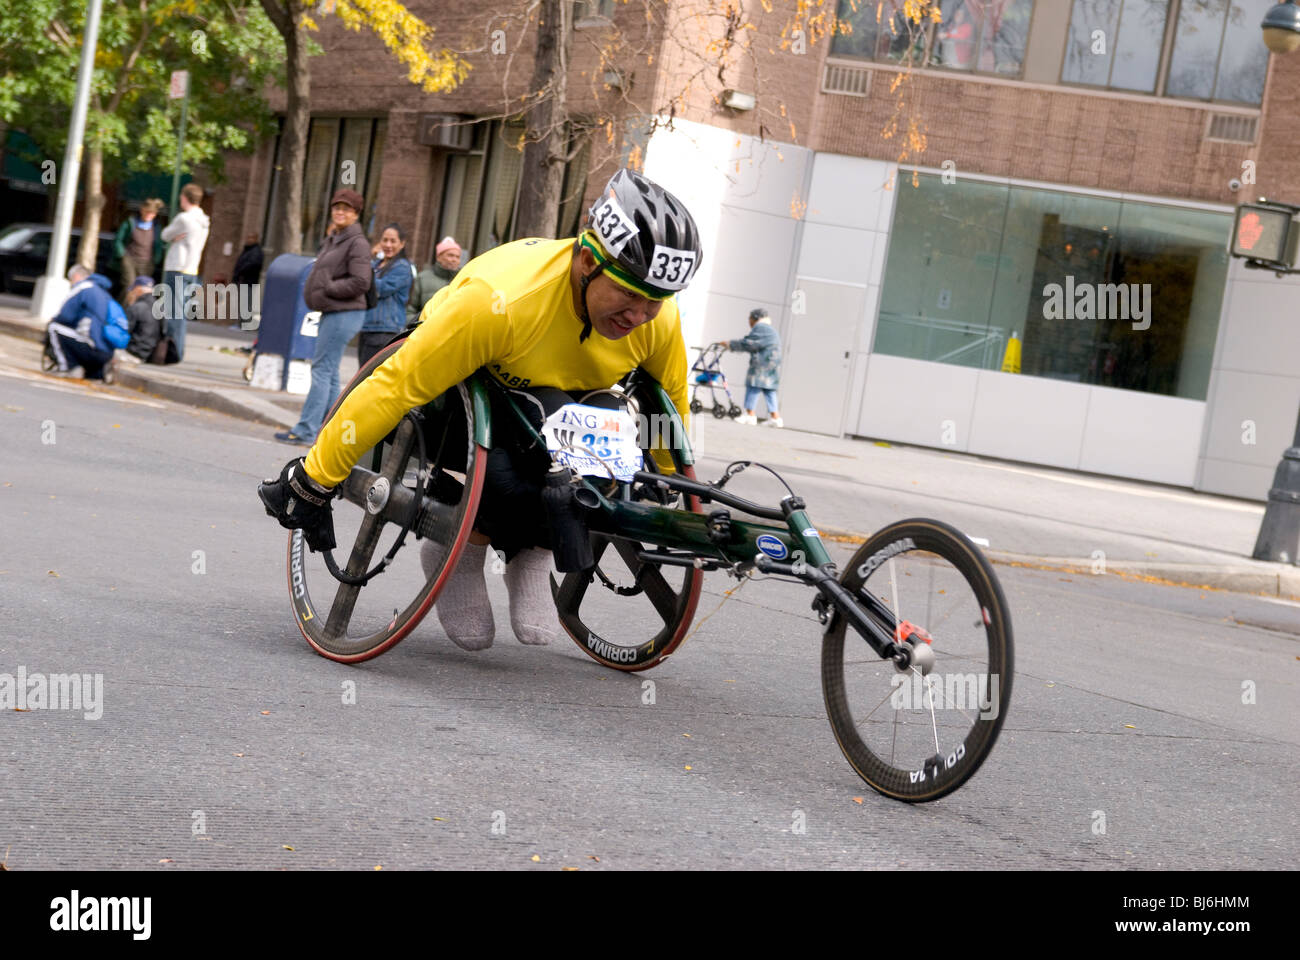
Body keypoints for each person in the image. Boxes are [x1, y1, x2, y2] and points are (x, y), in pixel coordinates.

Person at [259, 168, 702, 652]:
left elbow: (670, 404)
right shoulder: (497, 303)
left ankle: (533, 554)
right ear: (588, 261)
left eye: (656, 302)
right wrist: (314, 479)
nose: (639, 316)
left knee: (610, 437)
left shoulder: (657, 320)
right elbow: (392, 387)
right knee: (517, 459)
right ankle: (461, 554)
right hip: (464, 391)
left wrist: (667, 482)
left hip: (569, 406)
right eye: (631, 295)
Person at [274, 188, 373, 446]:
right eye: (336, 207)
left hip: (345, 313)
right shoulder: (335, 238)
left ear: (355, 214)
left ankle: (306, 429)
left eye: (346, 209)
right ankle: (330, 431)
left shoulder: (357, 243)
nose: (340, 212)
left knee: (321, 370)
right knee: (328, 373)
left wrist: (329, 288)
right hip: (333, 312)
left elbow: (362, 281)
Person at [160, 182, 210, 361]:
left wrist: (173, 237)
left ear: (184, 197)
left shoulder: (184, 218)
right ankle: (178, 350)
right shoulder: (204, 221)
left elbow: (164, 235)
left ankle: (173, 352)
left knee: (174, 311)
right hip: (192, 269)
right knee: (181, 311)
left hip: (177, 267)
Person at [44, 265, 118, 382]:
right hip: (107, 351)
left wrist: (54, 320)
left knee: (53, 327)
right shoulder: (104, 292)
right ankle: (97, 375)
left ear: (76, 276)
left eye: (71, 280)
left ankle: (66, 368)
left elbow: (65, 317)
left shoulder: (82, 287)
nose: (71, 284)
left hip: (89, 346)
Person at [358, 223, 412, 366]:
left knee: (368, 377)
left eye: (393, 241)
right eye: (385, 240)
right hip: (368, 327)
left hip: (385, 330)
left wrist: (365, 272)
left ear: (402, 243)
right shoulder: (376, 264)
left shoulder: (402, 266)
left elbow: (380, 288)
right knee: (361, 374)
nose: (388, 245)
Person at [724, 307, 783, 427]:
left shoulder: (761, 327)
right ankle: (775, 418)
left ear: (755, 318)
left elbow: (749, 343)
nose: (749, 322)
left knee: (753, 386)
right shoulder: (769, 329)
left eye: (749, 319)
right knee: (769, 390)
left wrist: (730, 344)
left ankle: (749, 415)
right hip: (772, 364)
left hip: (762, 364)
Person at [406, 236, 462, 324]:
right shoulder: (422, 278)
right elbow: (410, 310)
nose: (454, 260)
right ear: (438, 257)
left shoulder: (463, 280)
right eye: (450, 255)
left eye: (457, 257)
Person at [112, 199, 165, 293]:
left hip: (147, 263)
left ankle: (135, 307)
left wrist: (156, 259)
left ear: (155, 214)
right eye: (147, 211)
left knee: (142, 288)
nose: (149, 215)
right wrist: (122, 255)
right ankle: (125, 307)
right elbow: (118, 240)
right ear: (142, 210)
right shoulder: (130, 222)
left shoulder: (156, 227)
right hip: (129, 259)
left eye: (151, 213)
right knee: (129, 285)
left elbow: (158, 245)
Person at [120, 275, 164, 364]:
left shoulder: (136, 308)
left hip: (133, 352)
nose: (131, 293)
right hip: (150, 354)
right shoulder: (161, 308)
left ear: (138, 289)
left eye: (132, 290)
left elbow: (123, 333)